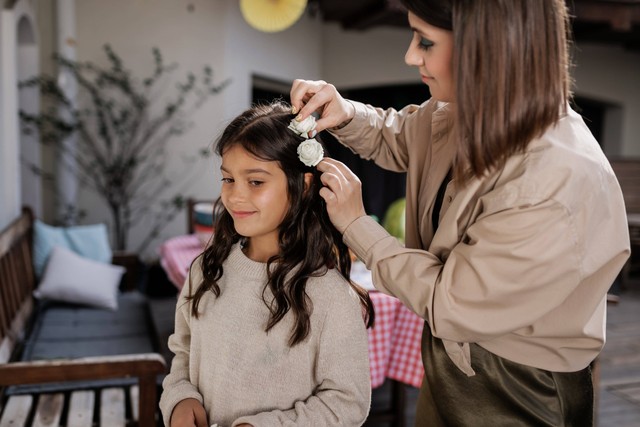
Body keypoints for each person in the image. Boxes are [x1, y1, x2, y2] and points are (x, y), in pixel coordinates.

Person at [290, 0, 630, 425]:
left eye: (426, 42)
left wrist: (357, 226)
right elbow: (398, 136)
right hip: (449, 357)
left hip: (519, 388)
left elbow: (453, 302)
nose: (411, 56)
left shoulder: (555, 176)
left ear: (488, 48)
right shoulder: (467, 113)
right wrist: (343, 113)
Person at [159, 101, 375, 427]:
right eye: (228, 179)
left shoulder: (330, 294)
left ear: (302, 186)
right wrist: (180, 398)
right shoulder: (205, 270)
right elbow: (184, 353)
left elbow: (348, 403)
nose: (234, 196)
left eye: (255, 182)